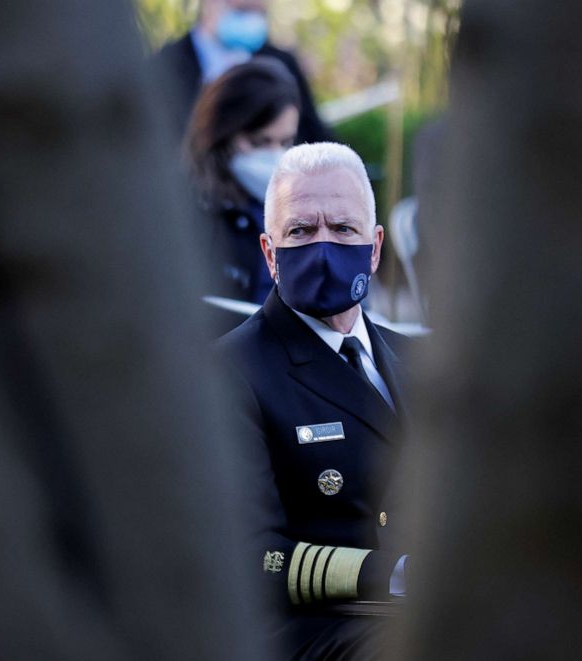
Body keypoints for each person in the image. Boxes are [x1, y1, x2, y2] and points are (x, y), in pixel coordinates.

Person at [216, 142, 411, 660]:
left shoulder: (423, 359)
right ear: (269, 252)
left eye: (343, 229)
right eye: (301, 231)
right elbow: (251, 554)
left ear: (373, 248)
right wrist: (391, 574)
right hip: (321, 630)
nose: (323, 246)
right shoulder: (230, 372)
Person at [185, 57, 301, 304]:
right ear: (222, 133)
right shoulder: (189, 209)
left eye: (285, 143)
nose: (273, 155)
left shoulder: (302, 204)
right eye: (259, 142)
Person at [152, 0, 332, 144]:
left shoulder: (281, 62)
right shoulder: (163, 70)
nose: (253, 22)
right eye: (244, 11)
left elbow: (316, 135)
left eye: (260, 13)